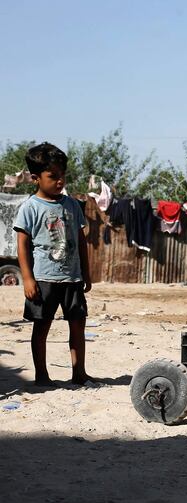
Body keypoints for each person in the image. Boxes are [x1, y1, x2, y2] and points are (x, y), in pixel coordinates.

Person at [13, 143, 93, 386]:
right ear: (36, 178)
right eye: (53, 176)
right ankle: (42, 376)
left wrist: (86, 273)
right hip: (43, 280)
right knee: (42, 328)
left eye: (63, 176)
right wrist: (27, 278)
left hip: (73, 279)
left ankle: (79, 373)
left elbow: (81, 241)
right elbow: (22, 246)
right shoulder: (30, 208)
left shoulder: (71, 205)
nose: (60, 181)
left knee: (78, 326)